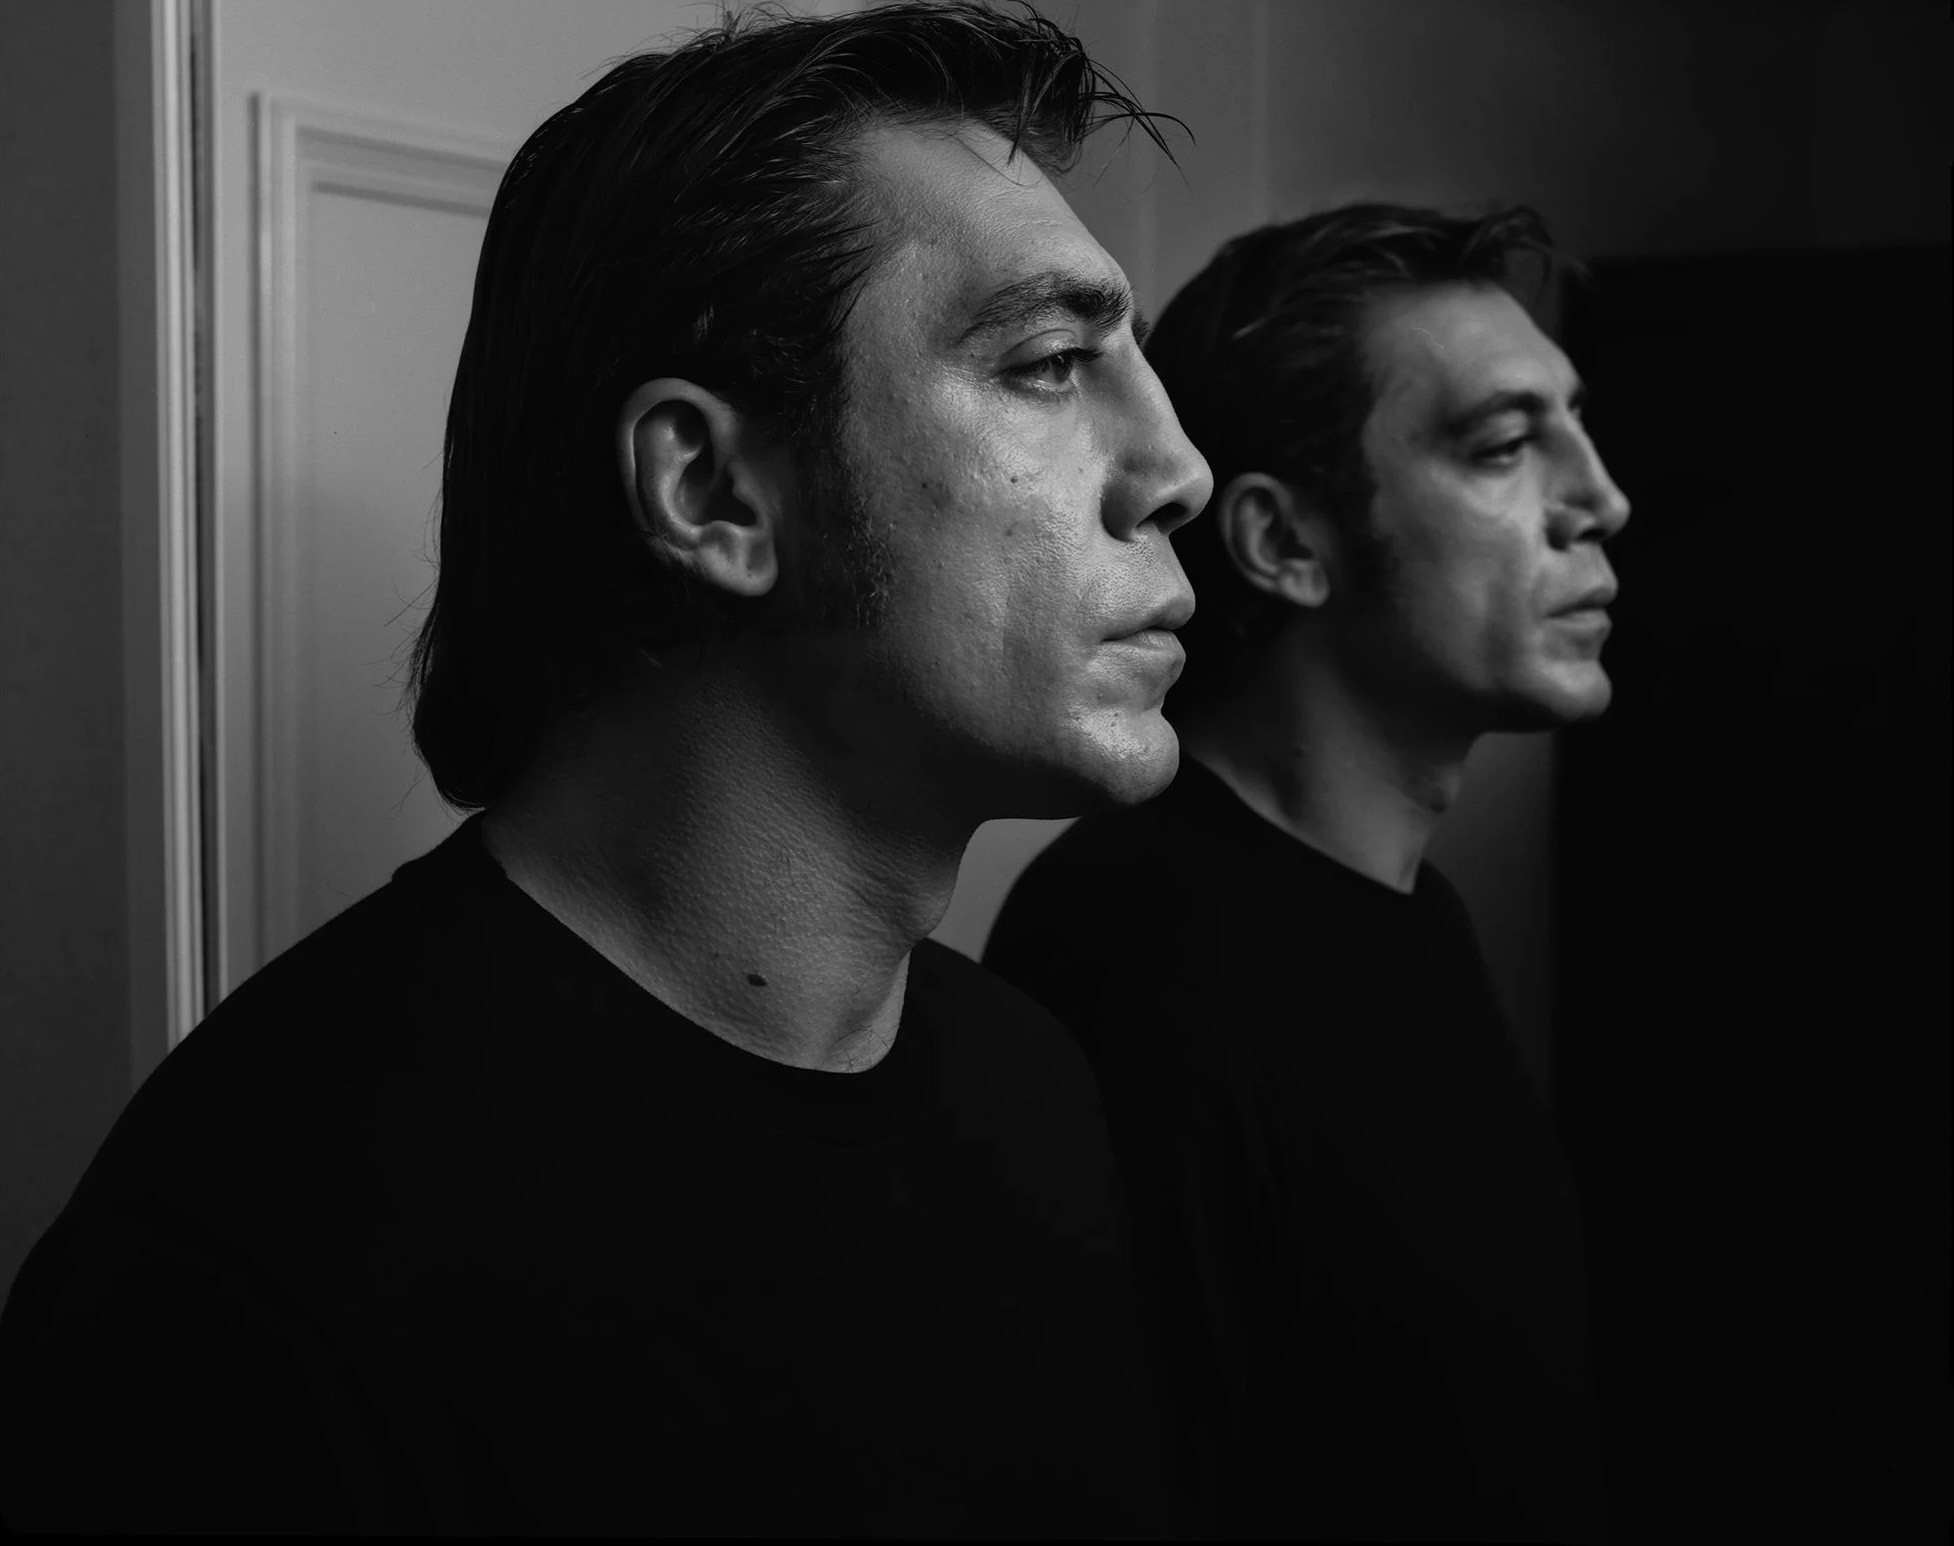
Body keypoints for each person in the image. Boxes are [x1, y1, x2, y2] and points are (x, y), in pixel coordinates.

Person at [0, 4, 1212, 1534]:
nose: (1176, 469)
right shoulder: (253, 1268)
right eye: (1046, 362)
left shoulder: (1034, 1094)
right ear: (709, 491)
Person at [986, 203, 1631, 1542]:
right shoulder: (1145, 976)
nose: (1597, 500)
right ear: (1284, 544)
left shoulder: (1409, 904)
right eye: (1503, 445)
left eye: (1572, 426)